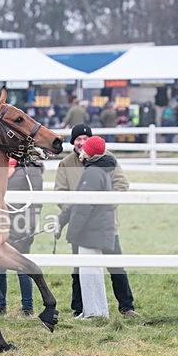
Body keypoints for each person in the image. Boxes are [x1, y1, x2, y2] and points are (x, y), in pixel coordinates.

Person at [54, 124, 138, 318]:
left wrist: (105, 206)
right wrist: (70, 214)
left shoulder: (106, 160)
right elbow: (61, 193)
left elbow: (121, 184)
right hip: (80, 223)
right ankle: (80, 308)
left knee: (115, 265)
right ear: (73, 141)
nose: (82, 142)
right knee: (80, 268)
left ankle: (126, 306)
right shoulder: (66, 164)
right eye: (78, 139)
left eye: (86, 139)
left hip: (104, 223)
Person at [56, 136, 116, 318]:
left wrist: (72, 233)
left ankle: (93, 313)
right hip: (94, 230)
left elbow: (83, 206)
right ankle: (96, 311)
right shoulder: (96, 170)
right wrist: (62, 219)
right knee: (92, 271)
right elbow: (78, 202)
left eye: (85, 148)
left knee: (89, 272)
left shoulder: (92, 172)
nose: (81, 150)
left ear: (89, 152)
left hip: (91, 231)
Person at [0, 158, 43, 316]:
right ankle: (0, 306)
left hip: (21, 226)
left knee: (22, 267)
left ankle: (27, 307)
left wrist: (30, 227)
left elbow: (36, 202)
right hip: (0, 224)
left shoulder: (30, 168)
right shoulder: (0, 164)